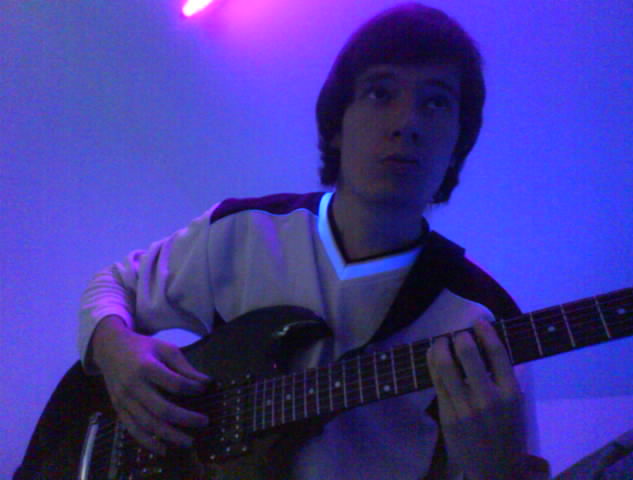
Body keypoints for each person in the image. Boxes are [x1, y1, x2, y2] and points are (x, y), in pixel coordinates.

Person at [79, 3, 551, 479]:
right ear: (337, 125)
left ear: (457, 146)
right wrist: (114, 349)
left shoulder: (485, 323)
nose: (406, 122)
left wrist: (498, 471)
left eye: (436, 103)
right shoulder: (243, 231)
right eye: (380, 93)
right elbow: (115, 284)